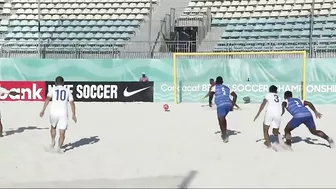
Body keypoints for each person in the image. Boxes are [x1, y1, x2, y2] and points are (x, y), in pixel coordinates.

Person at [39, 76, 77, 153]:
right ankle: (59, 148)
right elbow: (72, 103)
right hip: (63, 113)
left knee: (53, 127)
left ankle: (53, 141)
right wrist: (73, 114)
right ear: (63, 83)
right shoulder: (67, 90)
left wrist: (43, 110)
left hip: (53, 112)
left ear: (55, 83)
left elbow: (47, 99)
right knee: (62, 132)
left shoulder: (52, 89)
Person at [214, 76, 237, 142]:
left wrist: (209, 102)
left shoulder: (215, 87)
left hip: (221, 105)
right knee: (223, 118)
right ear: (222, 82)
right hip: (228, 104)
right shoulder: (227, 87)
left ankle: (224, 135)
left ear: (216, 82)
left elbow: (211, 94)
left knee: (221, 119)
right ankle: (224, 131)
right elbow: (235, 96)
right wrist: (232, 106)